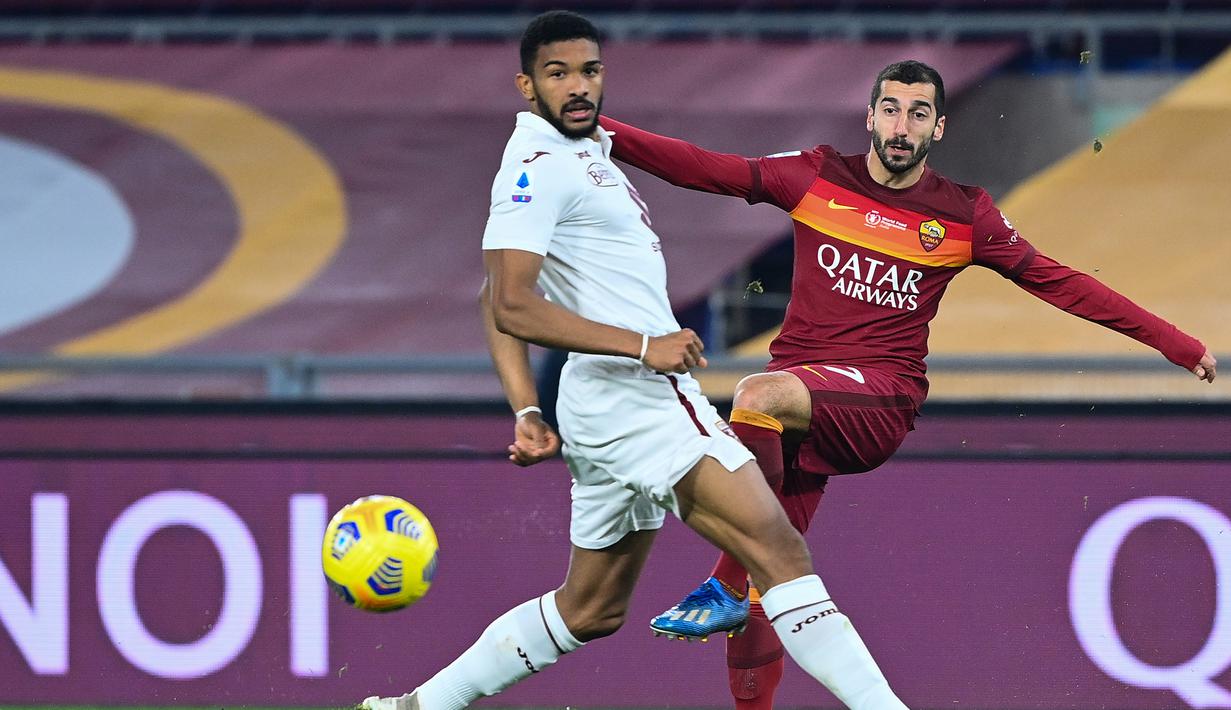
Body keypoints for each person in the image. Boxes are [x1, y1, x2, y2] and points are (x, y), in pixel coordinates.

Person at [599, 59, 1217, 710]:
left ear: (938, 127)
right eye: (890, 110)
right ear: (868, 117)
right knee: (773, 585)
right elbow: (702, 166)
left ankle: (721, 585)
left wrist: (1171, 342)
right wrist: (595, 132)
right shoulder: (813, 176)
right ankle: (746, 625)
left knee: (757, 396)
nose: (901, 126)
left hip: (877, 401)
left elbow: (1060, 281)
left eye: (917, 114)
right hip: (803, 412)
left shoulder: (962, 215)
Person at [361, 12, 912, 710]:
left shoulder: (584, 154)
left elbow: (490, 296)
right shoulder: (538, 168)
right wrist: (643, 347)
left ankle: (412, 708)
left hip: (601, 402)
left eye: (588, 70)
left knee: (588, 609)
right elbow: (511, 304)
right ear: (526, 85)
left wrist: (527, 408)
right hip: (636, 396)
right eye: (557, 73)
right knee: (778, 552)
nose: (577, 86)